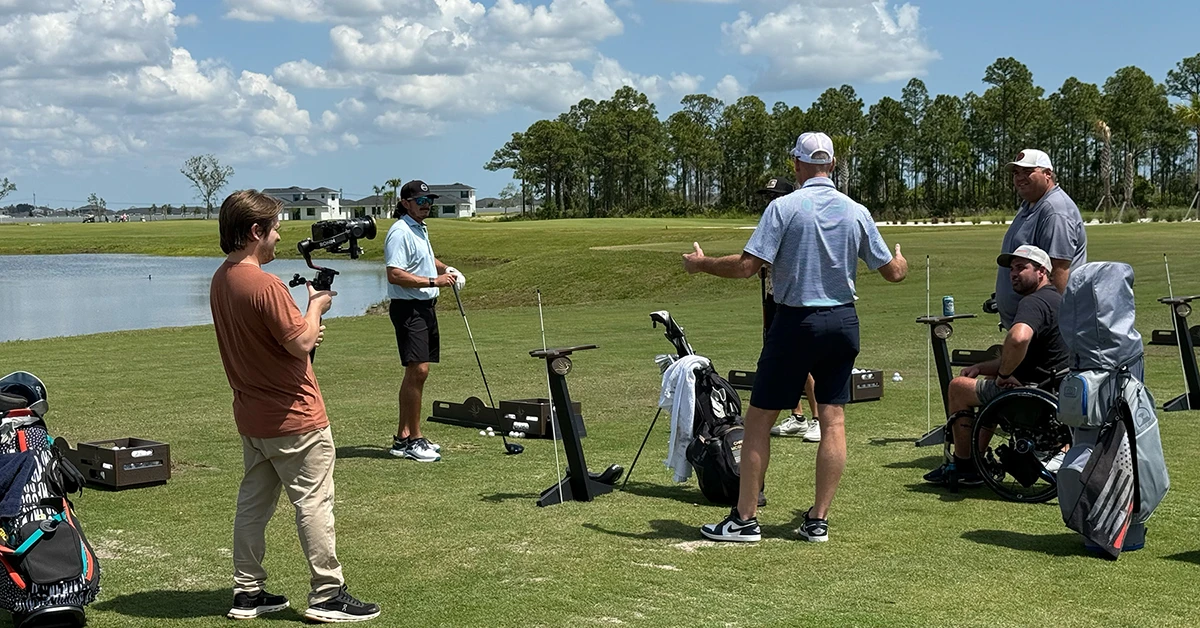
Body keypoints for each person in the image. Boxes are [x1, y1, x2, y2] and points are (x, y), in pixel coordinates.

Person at [683, 132, 907, 543]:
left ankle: (745, 519)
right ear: (833, 165)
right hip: (842, 321)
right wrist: (902, 259)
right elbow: (893, 272)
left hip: (795, 321)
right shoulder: (856, 210)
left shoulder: (784, 207)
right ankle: (818, 520)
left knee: (758, 421)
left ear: (798, 166)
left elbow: (747, 267)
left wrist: (701, 265)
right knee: (833, 419)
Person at [209, 190, 380, 623]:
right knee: (314, 503)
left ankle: (247, 591)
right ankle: (327, 593)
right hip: (295, 417)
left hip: (253, 416)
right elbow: (302, 342)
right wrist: (316, 307)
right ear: (255, 231)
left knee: (253, 505)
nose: (279, 236)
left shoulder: (221, 277)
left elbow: (285, 341)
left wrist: (306, 320)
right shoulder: (264, 284)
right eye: (275, 228)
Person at [924, 245, 1070, 485]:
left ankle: (964, 465)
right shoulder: (1057, 300)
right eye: (1011, 269)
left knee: (958, 387)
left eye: (1021, 267)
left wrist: (1004, 374)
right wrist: (982, 368)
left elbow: (1018, 338)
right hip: (1053, 388)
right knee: (988, 383)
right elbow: (1022, 354)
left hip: (1031, 395)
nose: (1013, 273)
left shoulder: (1034, 303)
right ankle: (976, 458)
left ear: (1042, 271)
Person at [384, 180, 464, 462]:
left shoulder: (420, 228)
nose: (426, 204)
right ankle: (414, 440)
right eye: (420, 200)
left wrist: (447, 270)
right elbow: (394, 274)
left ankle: (403, 438)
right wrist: (435, 280)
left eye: (429, 199)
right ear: (405, 203)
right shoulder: (399, 232)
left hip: (426, 308)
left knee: (417, 372)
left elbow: (427, 258)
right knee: (418, 371)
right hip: (409, 309)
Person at [755, 178, 821, 442]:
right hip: (774, 297)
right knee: (785, 362)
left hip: (794, 302)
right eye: (767, 197)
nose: (769, 202)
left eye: (774, 196)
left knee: (803, 362)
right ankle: (798, 416)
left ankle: (818, 419)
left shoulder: (794, 222)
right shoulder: (770, 222)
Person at [996, 149, 1087, 329]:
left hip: (1040, 326)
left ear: (1047, 174)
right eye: (1016, 173)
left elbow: (1059, 270)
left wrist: (1054, 324)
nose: (1020, 178)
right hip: (1027, 321)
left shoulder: (1055, 210)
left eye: (1027, 171)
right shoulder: (1030, 205)